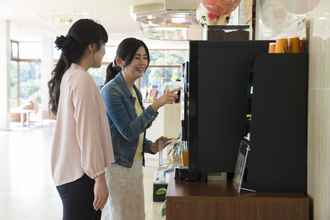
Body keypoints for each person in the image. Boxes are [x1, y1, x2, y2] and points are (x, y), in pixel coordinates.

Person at [101, 37, 178, 220]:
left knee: (136, 216)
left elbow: (139, 129)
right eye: (137, 57)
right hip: (119, 166)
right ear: (121, 61)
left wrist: (151, 146)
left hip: (134, 164)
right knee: (121, 215)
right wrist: (156, 105)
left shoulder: (133, 90)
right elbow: (127, 132)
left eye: (145, 57)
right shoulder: (111, 91)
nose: (143, 62)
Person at [48, 19, 114, 220]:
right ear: (92, 47)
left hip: (69, 173)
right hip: (80, 176)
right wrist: (99, 176)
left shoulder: (70, 75)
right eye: (104, 46)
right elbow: (88, 133)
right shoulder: (82, 80)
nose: (104, 53)